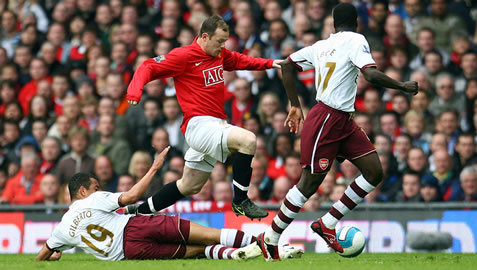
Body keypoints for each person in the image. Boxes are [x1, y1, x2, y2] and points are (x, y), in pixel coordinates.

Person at [257, 3, 418, 260]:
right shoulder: (356, 40)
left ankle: (327, 223)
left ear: (333, 24)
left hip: (343, 120)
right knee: (309, 184)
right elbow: (371, 75)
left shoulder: (321, 46)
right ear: (357, 22)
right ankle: (270, 239)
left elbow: (287, 65)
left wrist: (295, 105)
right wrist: (403, 86)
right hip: (327, 118)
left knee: (374, 171)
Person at [125, 15, 281, 219]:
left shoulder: (219, 55)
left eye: (225, 42)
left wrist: (271, 63)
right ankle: (241, 201)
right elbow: (148, 66)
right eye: (219, 41)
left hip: (214, 126)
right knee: (248, 140)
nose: (222, 46)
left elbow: (241, 60)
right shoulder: (184, 56)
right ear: (205, 37)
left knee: (189, 186)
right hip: (198, 125)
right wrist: (134, 92)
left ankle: (138, 212)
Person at [36, 147, 301, 261]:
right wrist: (153, 169)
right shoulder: (92, 200)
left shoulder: (62, 228)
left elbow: (42, 254)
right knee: (211, 234)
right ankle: (274, 247)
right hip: (137, 227)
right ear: (82, 190)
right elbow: (129, 197)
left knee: (197, 251)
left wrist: (53, 256)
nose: (99, 189)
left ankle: (236, 255)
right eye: (95, 187)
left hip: (130, 253)